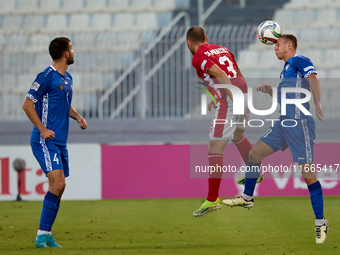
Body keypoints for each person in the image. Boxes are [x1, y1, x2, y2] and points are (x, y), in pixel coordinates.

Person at [223, 34, 329, 244]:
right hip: (284, 123)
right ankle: (247, 197)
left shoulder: (299, 60)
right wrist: (271, 92)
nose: (275, 48)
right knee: (254, 154)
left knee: (308, 176)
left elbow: (314, 79)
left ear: (290, 46)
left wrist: (317, 103)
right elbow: (286, 100)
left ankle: (320, 222)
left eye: (278, 45)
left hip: (300, 125)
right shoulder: (285, 70)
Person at [187, 26, 262, 217]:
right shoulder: (222, 49)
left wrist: (234, 101)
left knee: (214, 148)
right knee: (237, 135)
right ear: (207, 37)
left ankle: (212, 199)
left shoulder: (198, 57)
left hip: (231, 100)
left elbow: (220, 75)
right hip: (241, 91)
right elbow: (237, 73)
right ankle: (253, 172)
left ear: (189, 43)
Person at [22, 37, 87, 248]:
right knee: (58, 183)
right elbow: (27, 105)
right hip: (44, 140)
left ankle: (47, 233)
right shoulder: (46, 76)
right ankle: (41, 234)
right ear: (66, 53)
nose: (74, 51)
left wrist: (77, 117)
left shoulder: (67, 77)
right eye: (72, 48)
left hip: (59, 141)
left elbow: (65, 105)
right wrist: (42, 129)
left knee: (60, 186)